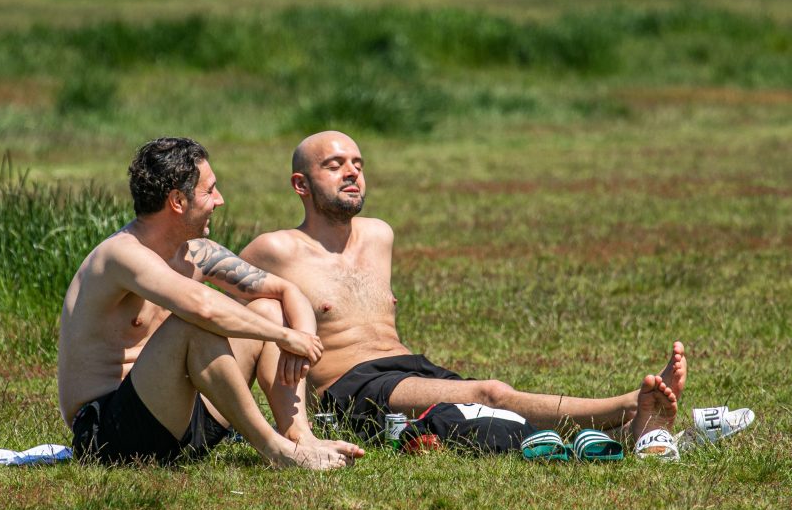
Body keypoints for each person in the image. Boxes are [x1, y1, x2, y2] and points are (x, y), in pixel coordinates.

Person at [238, 131, 686, 444]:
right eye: (334, 166)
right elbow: (218, 316)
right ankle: (628, 405)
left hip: (409, 369)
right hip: (347, 389)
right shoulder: (275, 249)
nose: (352, 173)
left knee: (491, 416)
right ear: (301, 184)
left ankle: (629, 436)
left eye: (358, 164)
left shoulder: (378, 235)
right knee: (489, 394)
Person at [58, 137, 364, 469]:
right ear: (177, 201)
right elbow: (202, 307)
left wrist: (301, 340)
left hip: (180, 421)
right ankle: (275, 450)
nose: (220, 200)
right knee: (193, 325)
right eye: (210, 191)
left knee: (268, 307)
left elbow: (287, 292)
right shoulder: (122, 254)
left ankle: (299, 437)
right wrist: (282, 337)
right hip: (110, 434)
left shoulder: (196, 252)